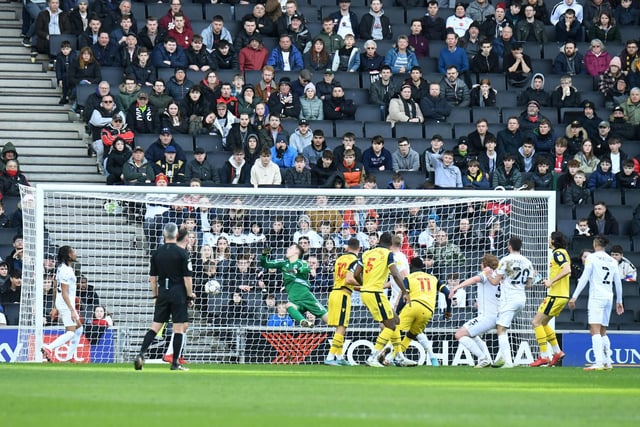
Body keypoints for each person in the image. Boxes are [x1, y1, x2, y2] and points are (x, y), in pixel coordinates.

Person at [134, 223, 194, 371]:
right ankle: (174, 363)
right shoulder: (182, 253)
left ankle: (141, 353)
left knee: (155, 326)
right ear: (176, 235)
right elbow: (187, 279)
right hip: (178, 292)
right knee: (178, 328)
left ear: (164, 235)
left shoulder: (157, 253)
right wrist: (189, 296)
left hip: (163, 293)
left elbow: (152, 278)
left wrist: (155, 295)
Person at [569, 235, 624, 370]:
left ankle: (598, 363)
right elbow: (617, 282)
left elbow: (584, 278)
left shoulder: (591, 258)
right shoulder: (612, 261)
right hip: (609, 297)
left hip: (596, 297)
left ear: (595, 244)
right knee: (603, 331)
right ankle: (608, 362)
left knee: (594, 330)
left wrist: (574, 296)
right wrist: (619, 300)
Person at [360, 232, 411, 367]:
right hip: (375, 292)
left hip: (367, 292)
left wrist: (364, 284)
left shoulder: (367, 253)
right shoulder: (388, 254)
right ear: (390, 244)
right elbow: (395, 273)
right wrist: (405, 291)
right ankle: (373, 357)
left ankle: (399, 357)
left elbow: (355, 273)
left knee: (396, 320)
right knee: (391, 325)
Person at [487, 236, 535, 368]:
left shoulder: (505, 260)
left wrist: (487, 275)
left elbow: (495, 282)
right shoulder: (527, 262)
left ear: (509, 246)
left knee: (500, 329)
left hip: (509, 299)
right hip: (521, 299)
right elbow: (529, 284)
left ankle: (508, 362)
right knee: (504, 327)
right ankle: (500, 358)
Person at [260, 244, 329, 327]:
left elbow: (306, 268)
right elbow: (265, 264)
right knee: (288, 306)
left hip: (307, 298)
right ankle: (304, 322)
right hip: (294, 300)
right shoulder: (283, 263)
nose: (287, 249)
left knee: (330, 320)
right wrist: (264, 254)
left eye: (290, 248)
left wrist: (297, 270)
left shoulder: (302, 262)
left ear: (296, 252)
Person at [450, 253, 500, 368]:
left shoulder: (487, 272)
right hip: (496, 315)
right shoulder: (498, 276)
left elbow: (474, 279)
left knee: (459, 335)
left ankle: (483, 359)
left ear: (484, 265)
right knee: (473, 335)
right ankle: (487, 358)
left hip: (487, 317)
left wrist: (458, 286)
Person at [530, 232, 571, 367]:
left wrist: (551, 282)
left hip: (556, 295)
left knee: (536, 322)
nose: (548, 241)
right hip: (561, 295)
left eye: (549, 239)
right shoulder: (562, 252)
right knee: (544, 323)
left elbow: (567, 269)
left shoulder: (558, 253)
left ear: (553, 241)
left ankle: (544, 356)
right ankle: (557, 352)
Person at [41, 246, 83, 363]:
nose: (75, 254)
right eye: (73, 252)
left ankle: (70, 357)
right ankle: (48, 348)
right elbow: (64, 293)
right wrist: (72, 310)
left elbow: (56, 287)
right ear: (68, 255)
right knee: (70, 332)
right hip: (66, 304)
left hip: (63, 302)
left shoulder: (61, 268)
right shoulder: (66, 271)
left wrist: (55, 306)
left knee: (79, 328)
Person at [324, 237, 362, 366]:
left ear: (347, 248)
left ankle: (339, 356)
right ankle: (330, 357)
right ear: (359, 248)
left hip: (334, 292)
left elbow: (339, 279)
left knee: (339, 327)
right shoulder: (355, 261)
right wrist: (364, 285)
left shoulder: (339, 259)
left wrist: (360, 288)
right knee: (342, 326)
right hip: (343, 294)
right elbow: (349, 280)